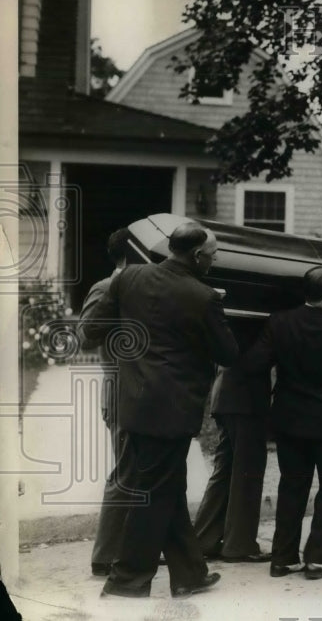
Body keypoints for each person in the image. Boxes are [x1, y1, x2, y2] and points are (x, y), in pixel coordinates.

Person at [82, 223, 239, 599]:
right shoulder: (203, 297)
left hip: (133, 403)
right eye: (213, 255)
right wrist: (213, 311)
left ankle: (190, 574)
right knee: (155, 491)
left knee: (165, 486)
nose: (215, 260)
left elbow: (91, 331)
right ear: (198, 256)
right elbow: (229, 354)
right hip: (172, 409)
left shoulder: (128, 278)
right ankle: (127, 580)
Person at [243, 266, 322, 580]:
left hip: (289, 419)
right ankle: (318, 557)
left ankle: (283, 558)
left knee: (292, 486)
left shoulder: (279, 322)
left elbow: (254, 364)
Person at [191, 319, 272, 562]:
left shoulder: (234, 314)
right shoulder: (259, 320)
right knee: (247, 474)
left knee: (225, 472)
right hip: (246, 401)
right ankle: (240, 544)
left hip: (227, 396)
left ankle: (204, 540)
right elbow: (257, 359)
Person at [79, 228, 133, 577]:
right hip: (122, 391)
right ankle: (105, 558)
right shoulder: (106, 287)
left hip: (143, 392)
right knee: (125, 473)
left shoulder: (140, 287)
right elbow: (85, 336)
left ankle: (131, 551)